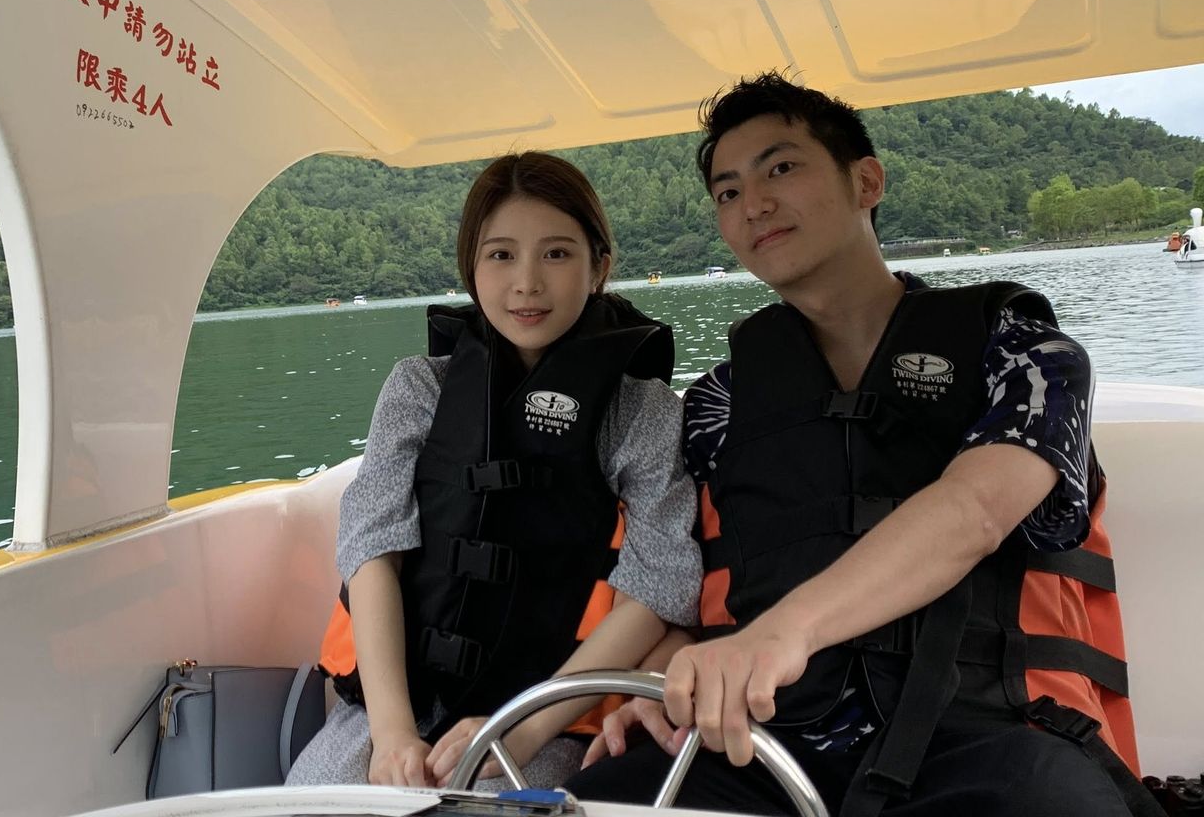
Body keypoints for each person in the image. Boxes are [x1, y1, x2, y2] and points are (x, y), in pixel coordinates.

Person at [567, 73, 1156, 816]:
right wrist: (667, 680)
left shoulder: (1025, 352)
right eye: (728, 191)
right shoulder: (718, 402)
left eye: (781, 168)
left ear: (866, 182)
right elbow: (705, 577)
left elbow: (975, 509)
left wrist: (782, 633)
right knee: (582, 801)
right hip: (764, 745)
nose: (753, 204)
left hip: (992, 738)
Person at [286, 152, 702, 789]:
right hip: (393, 708)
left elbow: (660, 587)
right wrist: (393, 735)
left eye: (556, 254)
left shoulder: (641, 412)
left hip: (551, 721)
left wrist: (521, 729)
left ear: (599, 267)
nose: (527, 283)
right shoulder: (418, 389)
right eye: (501, 255)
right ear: (472, 270)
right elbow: (371, 550)